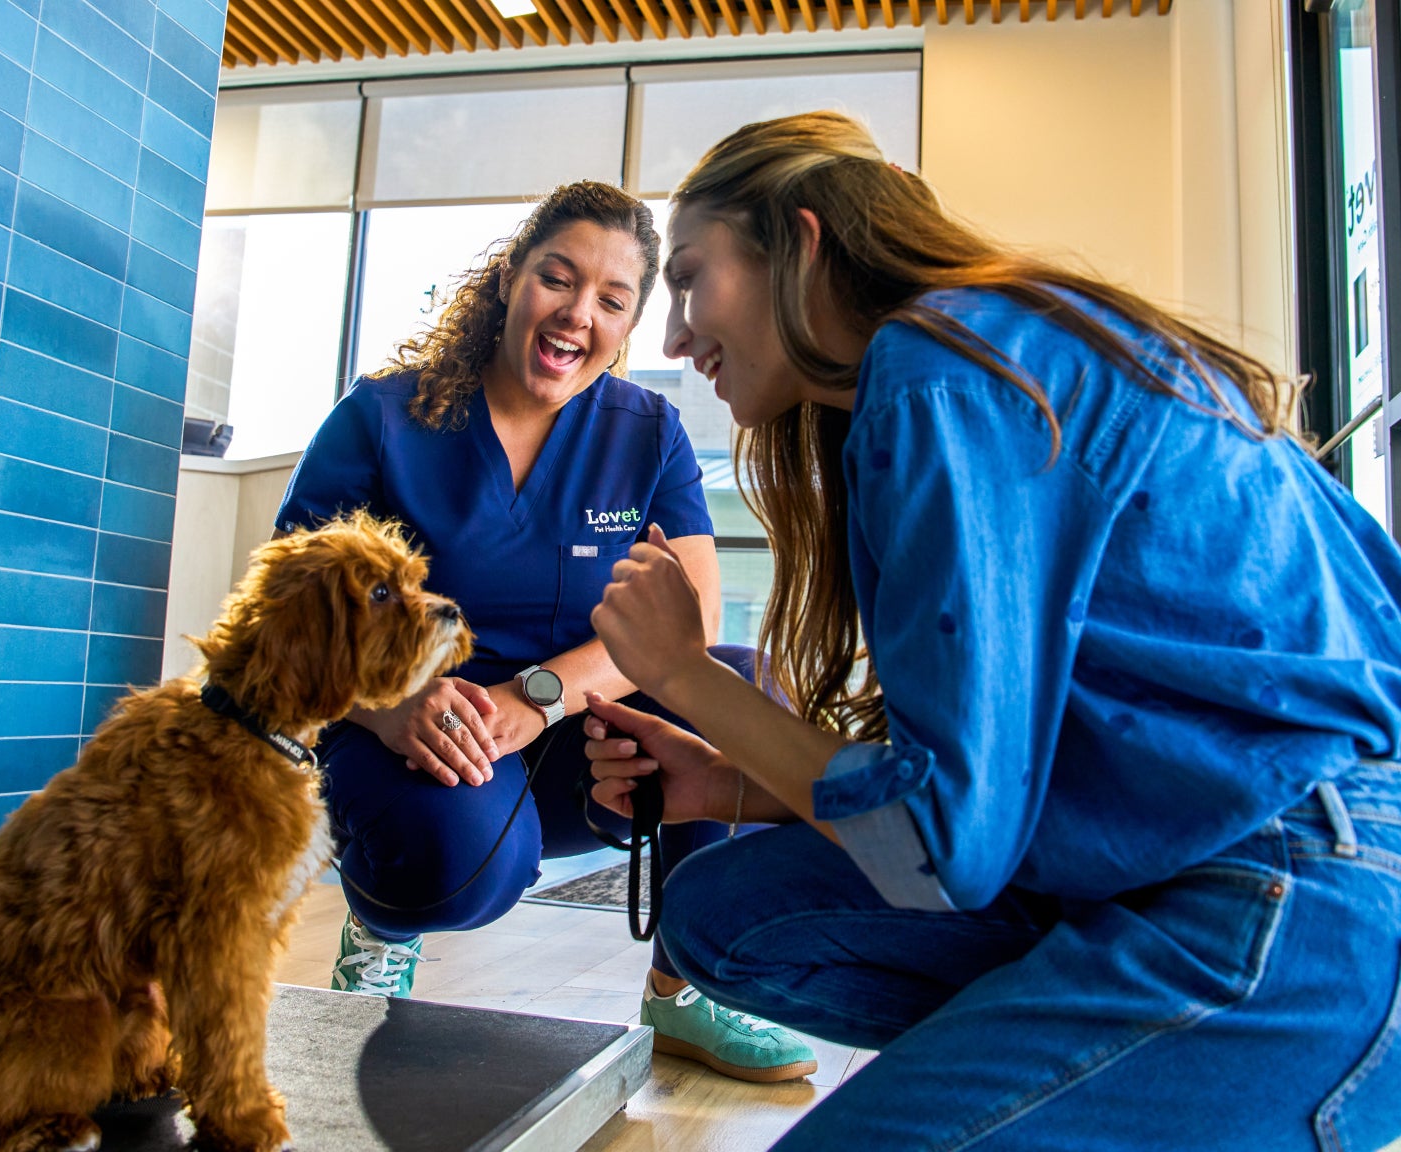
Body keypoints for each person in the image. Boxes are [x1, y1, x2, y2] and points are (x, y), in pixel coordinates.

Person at [583, 112, 1401, 1148]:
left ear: (798, 241)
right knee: (720, 916)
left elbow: (939, 848)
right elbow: (991, 796)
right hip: (1228, 845)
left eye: (691, 277)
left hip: (1299, 884)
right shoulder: (988, 349)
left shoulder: (941, 368)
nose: (673, 336)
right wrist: (735, 786)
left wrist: (687, 674)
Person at [275, 181, 817, 1083]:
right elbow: (291, 606)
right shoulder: (384, 416)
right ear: (507, 282)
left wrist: (538, 697)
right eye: (556, 279)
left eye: (611, 300)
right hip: (418, 735)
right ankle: (382, 933)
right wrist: (387, 702)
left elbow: (696, 616)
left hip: (580, 732)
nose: (577, 314)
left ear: (632, 325)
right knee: (458, 867)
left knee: (748, 691)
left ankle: (684, 993)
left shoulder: (647, 433)